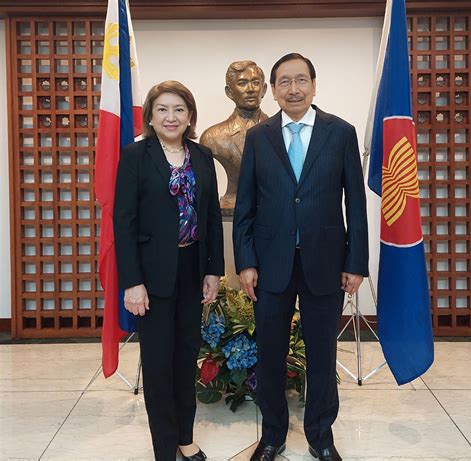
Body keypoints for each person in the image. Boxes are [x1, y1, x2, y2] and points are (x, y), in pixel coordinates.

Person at [233, 53, 369, 461]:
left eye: (301, 80)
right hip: (270, 264)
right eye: (284, 82)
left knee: (323, 355)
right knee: (270, 355)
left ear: (313, 85)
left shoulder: (340, 133)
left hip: (326, 263)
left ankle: (321, 437)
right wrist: (245, 261)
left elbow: (356, 203)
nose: (293, 89)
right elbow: (246, 206)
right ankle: (272, 436)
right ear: (273, 90)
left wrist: (355, 262)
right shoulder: (259, 138)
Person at [113, 81, 224, 461]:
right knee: (159, 362)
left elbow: (210, 216)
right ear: (150, 116)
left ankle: (185, 436)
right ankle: (164, 446)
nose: (171, 117)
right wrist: (132, 282)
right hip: (151, 274)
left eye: (179, 109)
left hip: (193, 268)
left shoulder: (202, 156)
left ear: (190, 116)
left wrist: (213, 270)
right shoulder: (135, 156)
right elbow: (123, 222)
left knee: (186, 355)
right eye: (162, 109)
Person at [200, 60, 268, 215]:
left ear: (263, 89)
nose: (250, 89)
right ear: (229, 92)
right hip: (232, 202)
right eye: (242, 83)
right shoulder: (212, 137)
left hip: (269, 206)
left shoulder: (279, 132)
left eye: (255, 82)